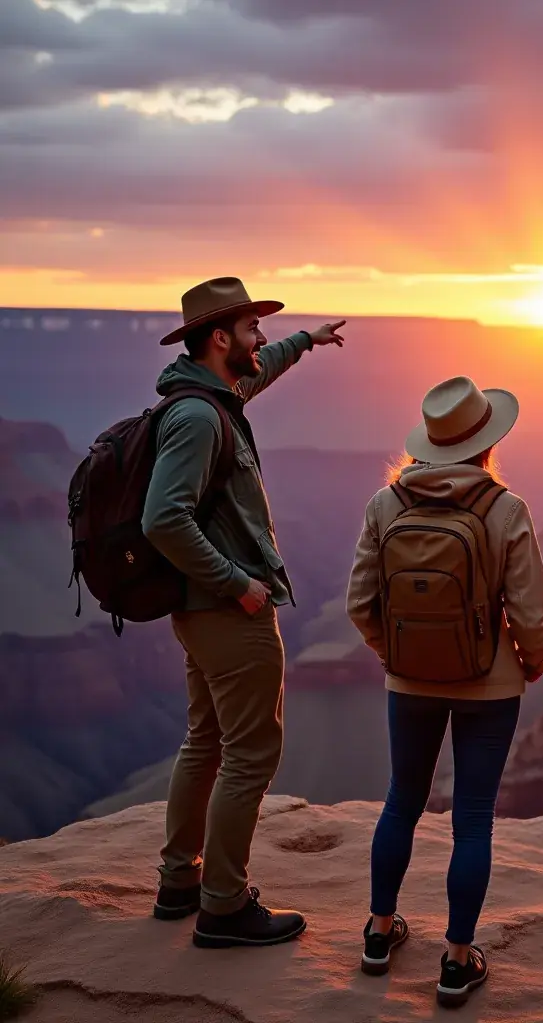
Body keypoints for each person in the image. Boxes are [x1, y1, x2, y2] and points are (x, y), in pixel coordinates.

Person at [144, 276, 347, 948]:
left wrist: (306, 341)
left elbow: (259, 372)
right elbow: (162, 519)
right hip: (229, 611)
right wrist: (238, 584)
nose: (261, 338)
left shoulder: (210, 396)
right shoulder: (201, 418)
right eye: (252, 329)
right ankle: (224, 906)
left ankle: (180, 881)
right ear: (219, 338)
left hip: (202, 611)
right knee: (251, 754)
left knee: (205, 740)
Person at [346, 375, 543, 1009]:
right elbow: (529, 613)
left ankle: (378, 934)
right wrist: (532, 662)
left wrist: (396, 655)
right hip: (489, 687)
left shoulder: (386, 504)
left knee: (401, 800)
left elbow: (360, 603)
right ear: (486, 443)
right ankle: (457, 963)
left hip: (409, 682)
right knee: (472, 818)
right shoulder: (507, 510)